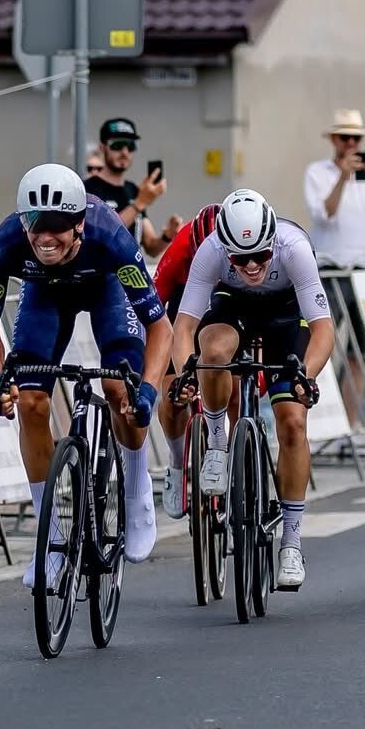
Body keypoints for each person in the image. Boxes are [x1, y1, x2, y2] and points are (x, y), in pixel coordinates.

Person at [0, 164, 170, 583]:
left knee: (120, 389)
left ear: (79, 223)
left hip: (106, 287)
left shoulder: (110, 235)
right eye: (35, 225)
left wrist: (149, 390)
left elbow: (159, 326)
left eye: (57, 226)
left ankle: (136, 492)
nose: (45, 237)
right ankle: (49, 540)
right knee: (30, 403)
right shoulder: (1, 246)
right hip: (45, 294)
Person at [171, 189, 334, 590]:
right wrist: (186, 372)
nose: (251, 266)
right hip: (234, 306)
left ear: (271, 242)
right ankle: (217, 445)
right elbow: (184, 327)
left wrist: (306, 376)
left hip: (286, 313)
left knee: (292, 423)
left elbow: (323, 329)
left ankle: (291, 543)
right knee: (212, 351)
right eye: (239, 259)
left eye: (260, 256)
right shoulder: (211, 250)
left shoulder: (293, 248)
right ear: (225, 249)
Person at [151, 201, 223, 519]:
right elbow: (151, 308)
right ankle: (178, 463)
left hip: (224, 309)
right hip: (183, 309)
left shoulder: (242, 253)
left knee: (234, 386)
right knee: (173, 396)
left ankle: (235, 458)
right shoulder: (180, 249)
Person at [302, 109, 365, 266]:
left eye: (356, 138)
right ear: (333, 139)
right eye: (345, 137)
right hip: (335, 264)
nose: (351, 142)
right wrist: (343, 177)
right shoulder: (316, 171)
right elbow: (324, 215)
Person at [84, 118, 177, 257]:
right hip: (102, 270)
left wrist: (167, 236)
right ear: (102, 148)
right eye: (117, 145)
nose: (125, 152)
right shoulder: (87, 189)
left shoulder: (132, 189)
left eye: (131, 146)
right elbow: (103, 238)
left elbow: (151, 247)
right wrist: (140, 202)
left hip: (133, 270)